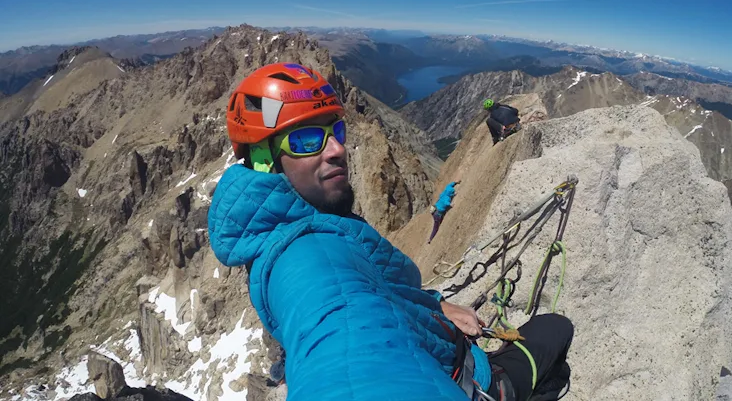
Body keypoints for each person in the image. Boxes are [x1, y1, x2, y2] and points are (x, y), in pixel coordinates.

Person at [208, 62, 573, 401]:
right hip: (476, 383)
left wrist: (434, 305)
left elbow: (375, 293)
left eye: (336, 130)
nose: (337, 149)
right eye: (305, 140)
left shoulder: (297, 221)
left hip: (445, 349)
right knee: (557, 330)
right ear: (264, 161)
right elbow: (351, 348)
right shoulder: (310, 258)